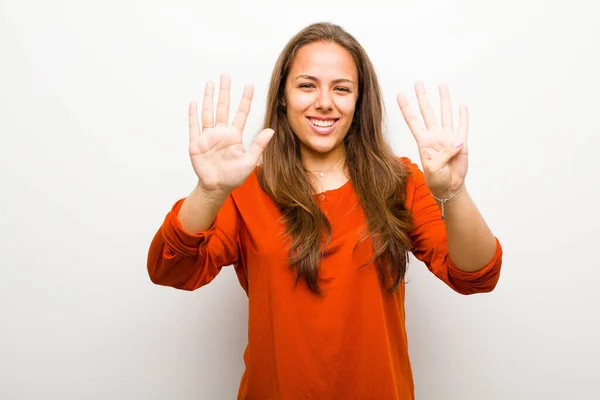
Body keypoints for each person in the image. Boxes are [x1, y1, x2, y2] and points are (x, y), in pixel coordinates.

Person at [147, 21, 503, 400]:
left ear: (359, 101)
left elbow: (475, 275)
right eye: (306, 85)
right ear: (283, 96)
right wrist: (209, 191)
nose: (324, 102)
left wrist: (455, 191)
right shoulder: (244, 189)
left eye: (341, 89)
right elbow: (172, 271)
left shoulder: (400, 181)